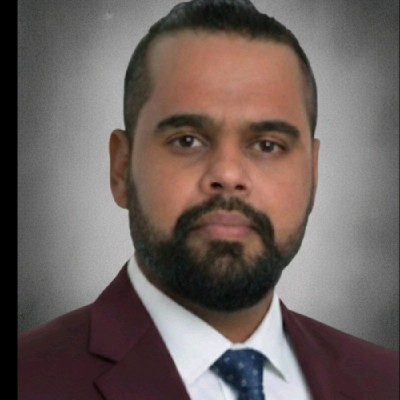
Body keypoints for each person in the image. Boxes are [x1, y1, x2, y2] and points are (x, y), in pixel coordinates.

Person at [18, 0, 398, 399]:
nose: (228, 175)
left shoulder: (387, 383)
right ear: (121, 168)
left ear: (313, 173)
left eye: (267, 145)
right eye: (187, 140)